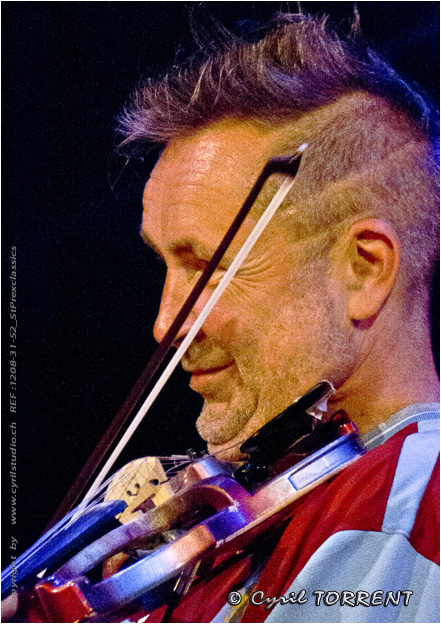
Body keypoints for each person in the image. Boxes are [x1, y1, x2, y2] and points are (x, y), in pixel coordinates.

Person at [117, 11, 439, 623]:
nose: (167, 324)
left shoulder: (417, 507)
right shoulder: (230, 535)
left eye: (209, 267)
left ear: (364, 271)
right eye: (165, 265)